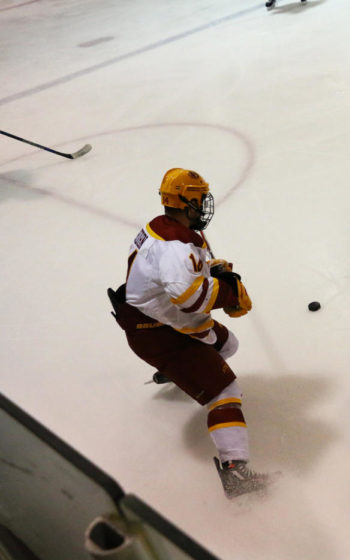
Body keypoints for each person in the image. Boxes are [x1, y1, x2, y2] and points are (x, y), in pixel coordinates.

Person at [107, 168, 267, 499]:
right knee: (225, 392)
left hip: (166, 321)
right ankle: (236, 472)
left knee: (228, 345)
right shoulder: (174, 246)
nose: (205, 205)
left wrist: (212, 271)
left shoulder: (169, 229)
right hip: (157, 330)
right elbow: (190, 297)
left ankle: (181, 373)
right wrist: (228, 292)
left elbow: (177, 278)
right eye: (200, 199)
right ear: (186, 200)